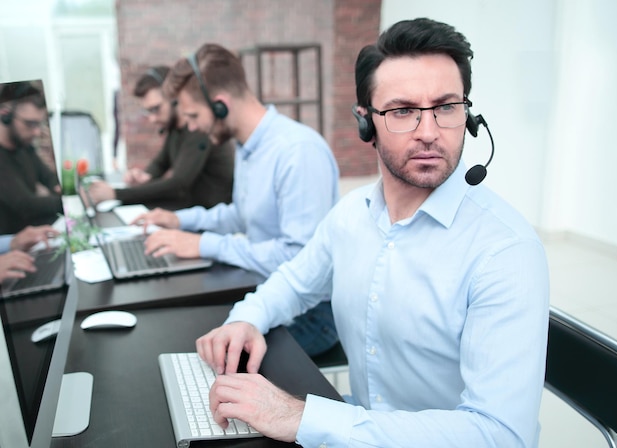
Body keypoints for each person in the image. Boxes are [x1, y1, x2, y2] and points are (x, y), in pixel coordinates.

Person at [196, 17, 550, 447]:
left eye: (446, 107)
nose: (429, 131)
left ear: (468, 114)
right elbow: (294, 281)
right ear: (366, 122)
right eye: (402, 111)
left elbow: (499, 435)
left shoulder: (505, 251)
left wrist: (302, 417)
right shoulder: (352, 215)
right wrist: (247, 318)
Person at [134, 43, 340, 357]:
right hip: (264, 293)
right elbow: (241, 215)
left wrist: (205, 244)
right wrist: (180, 221)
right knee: (178, 335)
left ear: (220, 105)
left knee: (209, 360)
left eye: (193, 115)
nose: (190, 127)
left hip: (311, 314)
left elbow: (299, 258)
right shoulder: (247, 146)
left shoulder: (298, 153)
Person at [84, 66, 235, 210]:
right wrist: (144, 176)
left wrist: (115, 194)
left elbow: (178, 184)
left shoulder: (198, 129)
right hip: (192, 210)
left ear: (174, 98)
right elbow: (161, 163)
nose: (152, 118)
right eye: (148, 111)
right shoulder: (175, 129)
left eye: (156, 109)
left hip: (212, 217)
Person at [0, 81, 63, 235]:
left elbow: (50, 179)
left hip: (34, 237)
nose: (36, 132)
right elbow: (26, 205)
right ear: (5, 115)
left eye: (39, 124)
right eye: (30, 124)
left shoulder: (24, 149)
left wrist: (59, 189)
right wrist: (68, 201)